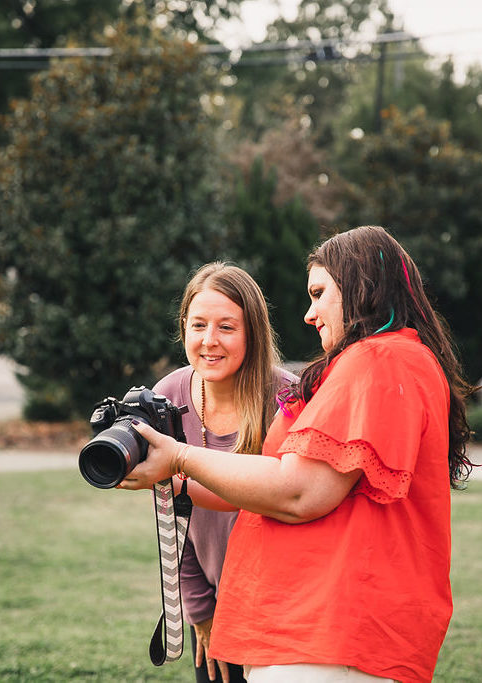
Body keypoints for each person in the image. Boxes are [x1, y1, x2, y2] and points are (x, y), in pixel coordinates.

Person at [119, 226, 476, 682]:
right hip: (311, 632)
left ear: (359, 285)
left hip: (330, 635)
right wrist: (170, 477)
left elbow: (299, 493)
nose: (309, 314)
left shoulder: (377, 362)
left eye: (319, 293)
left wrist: (181, 457)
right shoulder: (376, 360)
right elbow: (270, 484)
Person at [149, 262, 297, 683]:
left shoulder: (286, 396)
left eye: (227, 328)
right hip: (215, 606)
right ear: (183, 328)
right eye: (198, 325)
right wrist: (200, 611)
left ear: (253, 332)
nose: (209, 341)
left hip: (280, 607)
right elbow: (171, 516)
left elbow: (294, 502)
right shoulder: (168, 396)